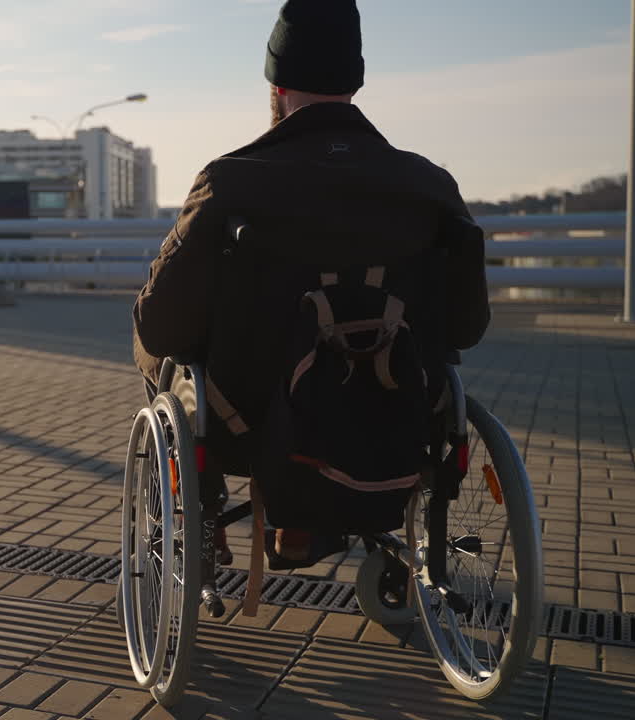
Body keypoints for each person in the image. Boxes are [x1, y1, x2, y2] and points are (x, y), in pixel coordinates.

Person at [132, 0, 490, 569]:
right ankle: (307, 523)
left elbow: (162, 326)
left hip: (245, 423)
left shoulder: (230, 181)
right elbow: (466, 328)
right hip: (397, 406)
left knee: (155, 346)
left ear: (275, 86)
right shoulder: (429, 185)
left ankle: (204, 508)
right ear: (355, 81)